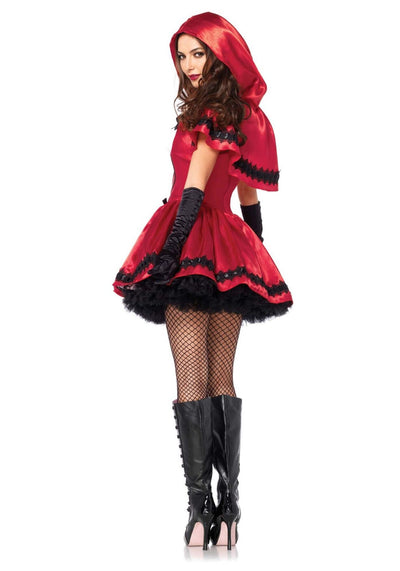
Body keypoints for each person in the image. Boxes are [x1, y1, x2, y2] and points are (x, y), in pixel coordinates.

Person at [112, 12, 293, 550]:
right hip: (228, 249)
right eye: (183, 55)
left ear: (222, 55)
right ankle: (230, 511)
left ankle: (198, 511)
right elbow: (248, 196)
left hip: (192, 239)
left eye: (199, 53)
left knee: (192, 378)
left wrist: (170, 254)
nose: (189, 64)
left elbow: (192, 189)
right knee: (221, 376)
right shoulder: (241, 117)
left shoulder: (209, 115)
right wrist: (254, 254)